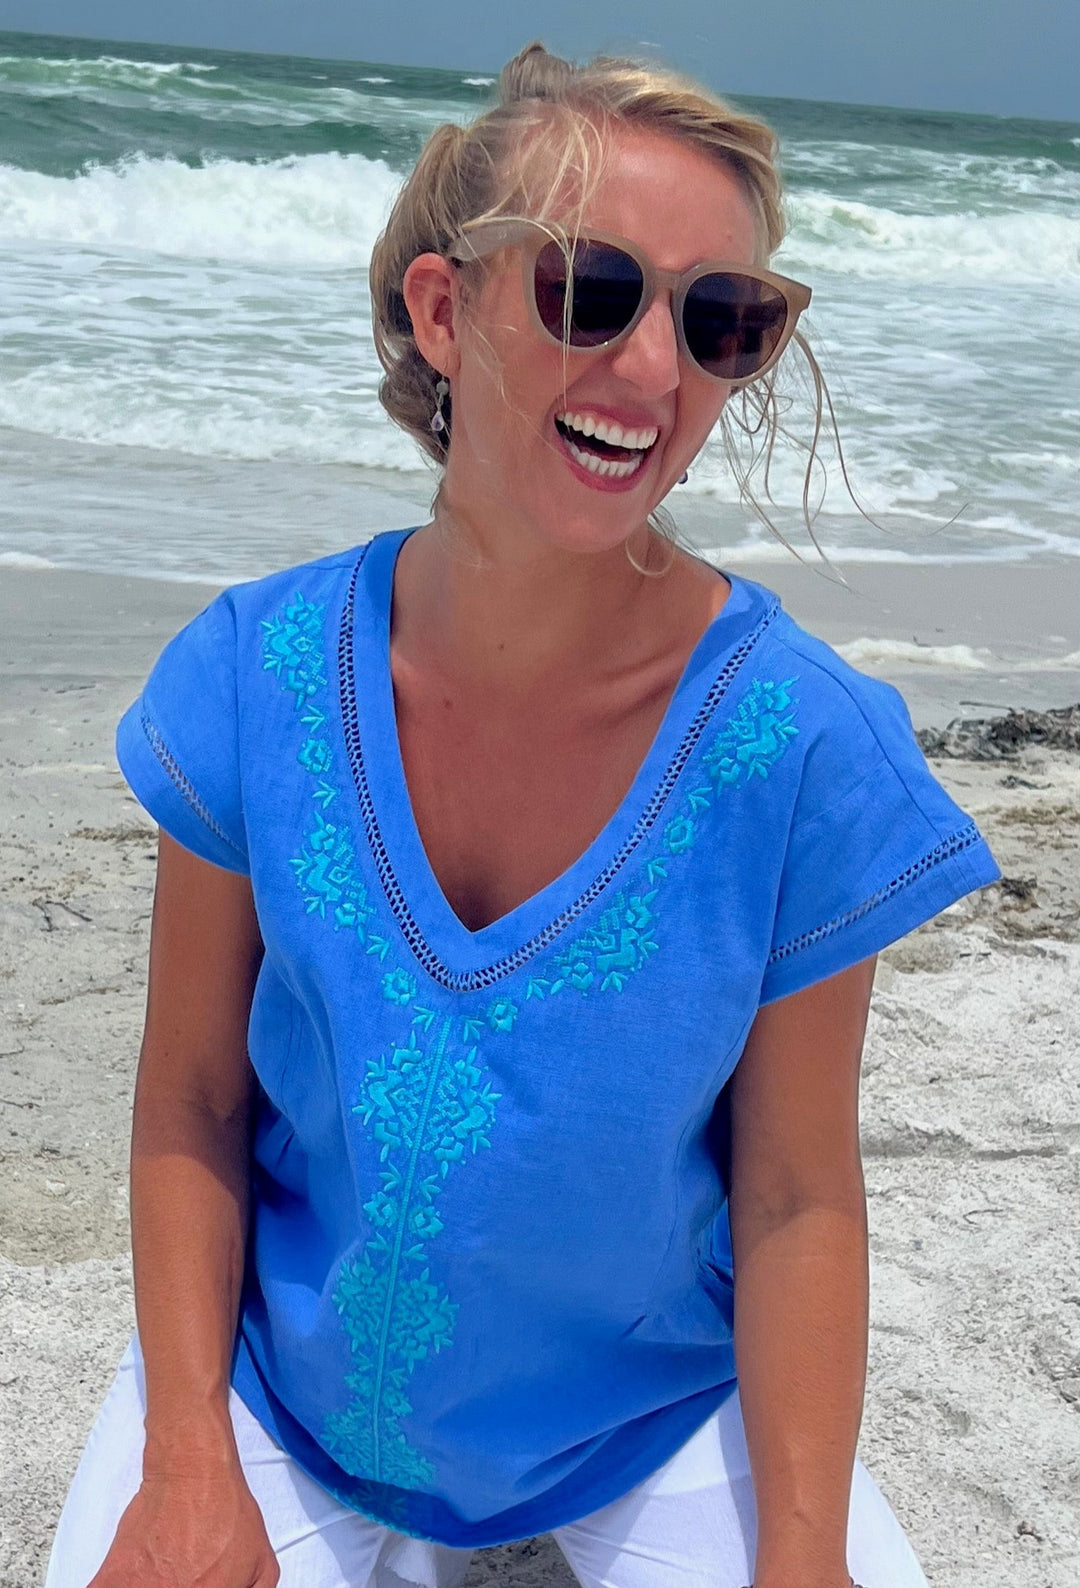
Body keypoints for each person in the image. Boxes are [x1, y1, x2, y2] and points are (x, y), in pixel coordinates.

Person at [44, 41, 1001, 1588]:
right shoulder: (257, 675)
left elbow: (798, 1192)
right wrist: (187, 1462)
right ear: (443, 309)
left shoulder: (801, 745)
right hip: (290, 1387)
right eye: (587, 290)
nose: (652, 371)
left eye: (720, 321)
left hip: (655, 1403)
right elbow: (197, 1106)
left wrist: (805, 1556)